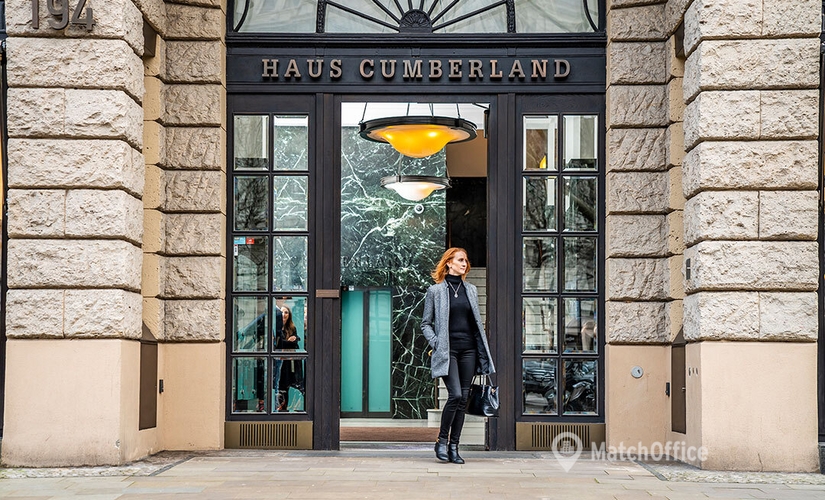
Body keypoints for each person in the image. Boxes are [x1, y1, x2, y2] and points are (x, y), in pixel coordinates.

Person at [421, 247, 495, 464]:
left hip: (469, 350)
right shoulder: (435, 291)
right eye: (460, 260)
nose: (465, 263)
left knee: (463, 398)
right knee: (454, 395)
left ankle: (454, 447)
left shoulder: (471, 290)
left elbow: (474, 322)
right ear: (449, 263)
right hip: (448, 351)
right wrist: (437, 343)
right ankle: (441, 441)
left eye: (466, 260)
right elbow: (425, 324)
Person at [276, 305, 303, 411]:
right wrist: (289, 341)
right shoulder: (277, 327)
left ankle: (286, 406)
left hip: (290, 361)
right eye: (282, 312)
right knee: (280, 383)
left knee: (289, 383)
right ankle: (279, 406)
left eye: (286, 312)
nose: (284, 314)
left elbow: (295, 341)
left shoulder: (292, 328)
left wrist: (292, 340)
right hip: (279, 359)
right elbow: (280, 344)